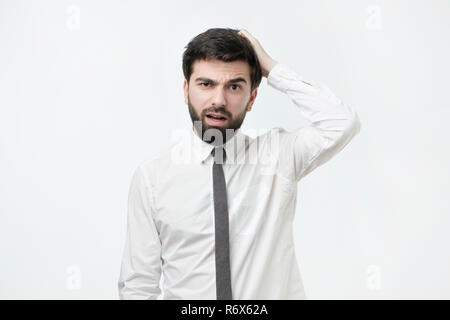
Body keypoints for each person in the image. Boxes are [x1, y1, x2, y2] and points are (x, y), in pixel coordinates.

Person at [118, 28, 361, 300]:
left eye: (234, 86)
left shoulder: (278, 157)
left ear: (252, 98)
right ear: (186, 90)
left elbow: (341, 123)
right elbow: (138, 286)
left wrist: (270, 68)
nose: (218, 101)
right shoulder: (152, 178)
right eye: (206, 84)